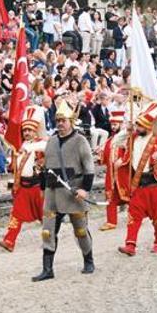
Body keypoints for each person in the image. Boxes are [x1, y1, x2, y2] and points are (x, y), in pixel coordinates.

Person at [32, 100, 95, 281]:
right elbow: (47, 168)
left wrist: (85, 189)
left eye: (63, 120)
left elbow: (89, 167)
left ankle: (88, 260)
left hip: (73, 193)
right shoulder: (51, 142)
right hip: (52, 195)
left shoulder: (80, 140)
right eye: (58, 120)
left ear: (71, 121)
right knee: (47, 231)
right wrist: (42, 187)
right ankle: (47, 269)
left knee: (81, 230)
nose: (60, 123)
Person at [116, 102, 157, 256]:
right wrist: (126, 130)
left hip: (154, 185)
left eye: (139, 126)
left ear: (148, 126)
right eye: (136, 125)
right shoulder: (132, 139)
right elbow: (116, 142)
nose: (137, 128)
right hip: (138, 184)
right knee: (133, 216)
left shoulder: (156, 140)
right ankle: (130, 245)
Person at [0, 107, 47, 252]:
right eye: (25, 130)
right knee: (16, 215)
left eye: (30, 130)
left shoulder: (41, 143)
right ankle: (9, 241)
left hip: (37, 186)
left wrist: (33, 148)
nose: (27, 133)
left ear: (36, 130)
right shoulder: (20, 145)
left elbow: (47, 146)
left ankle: (49, 240)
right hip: (23, 187)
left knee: (45, 216)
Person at [98, 110, 129, 231]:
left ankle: (136, 216)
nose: (113, 126)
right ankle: (111, 221)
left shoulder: (127, 138)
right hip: (111, 174)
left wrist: (123, 159)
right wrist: (100, 153)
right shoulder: (110, 139)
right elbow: (105, 156)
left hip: (124, 172)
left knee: (129, 195)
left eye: (116, 124)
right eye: (112, 124)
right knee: (110, 197)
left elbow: (132, 152)